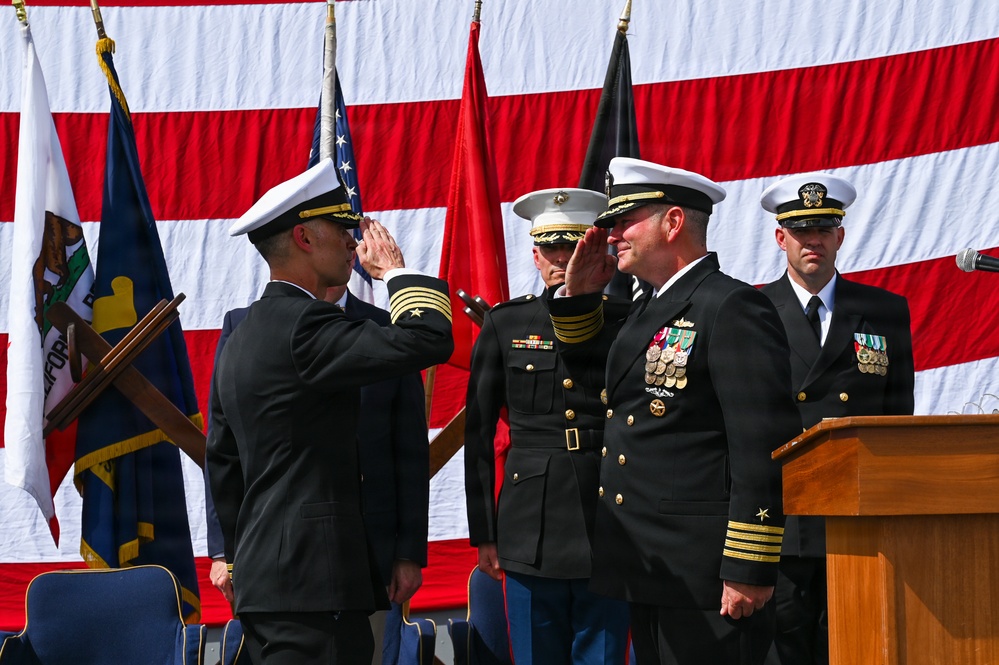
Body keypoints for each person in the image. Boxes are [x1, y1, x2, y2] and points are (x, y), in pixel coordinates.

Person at [548, 157, 802, 665]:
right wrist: (577, 296)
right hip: (652, 566)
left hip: (706, 573)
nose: (613, 234)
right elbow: (599, 380)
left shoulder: (728, 306)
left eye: (625, 220)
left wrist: (749, 564)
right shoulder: (650, 305)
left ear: (673, 222)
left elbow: (761, 447)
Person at [206, 159, 453, 665]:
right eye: (340, 227)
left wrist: (234, 558)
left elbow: (224, 462)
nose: (351, 240)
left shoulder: (242, 334)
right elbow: (429, 337)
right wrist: (393, 272)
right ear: (303, 237)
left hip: (267, 582)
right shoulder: (306, 325)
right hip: (312, 586)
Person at [203, 282, 430, 665]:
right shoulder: (242, 327)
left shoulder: (383, 326)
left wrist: (408, 552)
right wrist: (225, 552)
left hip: (369, 553)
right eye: (338, 230)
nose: (347, 244)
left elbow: (408, 449)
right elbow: (225, 451)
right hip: (277, 555)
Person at [464, 187, 631, 665]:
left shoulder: (625, 321)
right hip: (529, 527)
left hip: (609, 517)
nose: (562, 257)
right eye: (551, 247)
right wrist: (485, 533)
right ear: (535, 255)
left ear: (594, 251)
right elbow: (478, 436)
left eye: (573, 245)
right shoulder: (506, 323)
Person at [759, 173, 915, 665]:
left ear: (840, 236)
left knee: (856, 649)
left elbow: (897, 416)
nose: (813, 242)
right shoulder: (751, 310)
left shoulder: (884, 311)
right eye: (801, 231)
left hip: (856, 517)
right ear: (780, 237)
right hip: (782, 516)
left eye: (824, 230)